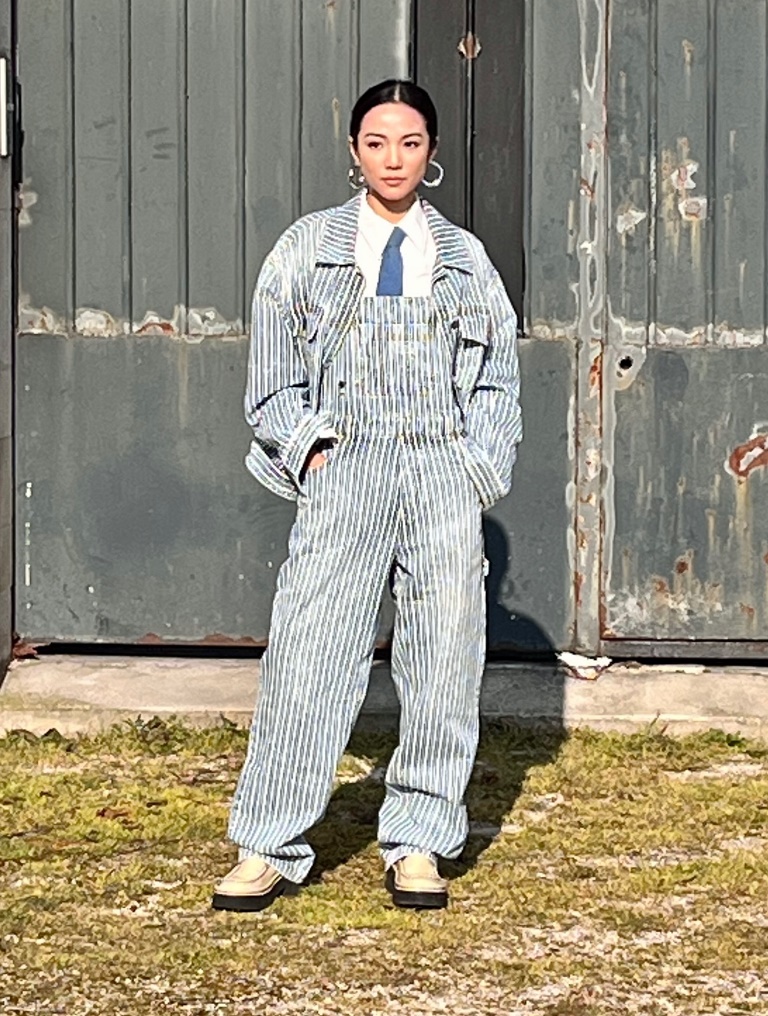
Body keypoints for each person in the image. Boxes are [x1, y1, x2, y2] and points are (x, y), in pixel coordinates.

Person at [212, 79, 522, 913]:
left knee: (443, 657)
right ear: (354, 152)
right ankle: (267, 843)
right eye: (377, 143)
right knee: (309, 651)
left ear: (432, 154)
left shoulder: (463, 260)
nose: (393, 159)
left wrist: (476, 468)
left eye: (410, 143)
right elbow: (272, 377)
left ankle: (420, 840)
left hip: (439, 473)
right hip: (345, 467)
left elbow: (497, 379)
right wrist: (309, 450)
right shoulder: (306, 251)